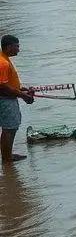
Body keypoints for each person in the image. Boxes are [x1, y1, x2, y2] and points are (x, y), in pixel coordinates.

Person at [0, 35, 34, 165]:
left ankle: (7, 155)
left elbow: (7, 82)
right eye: (17, 46)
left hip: (7, 97)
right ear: (9, 47)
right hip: (6, 100)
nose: (18, 49)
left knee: (8, 128)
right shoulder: (3, 63)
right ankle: (7, 158)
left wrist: (21, 89)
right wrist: (23, 95)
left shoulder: (4, 58)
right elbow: (2, 86)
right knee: (10, 128)